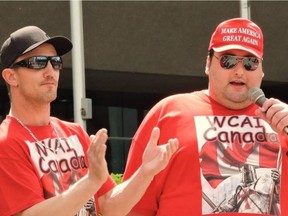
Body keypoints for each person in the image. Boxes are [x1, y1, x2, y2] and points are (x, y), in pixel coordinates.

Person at [0, 26, 179, 216]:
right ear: (11, 76)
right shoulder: (6, 142)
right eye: (38, 62)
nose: (50, 71)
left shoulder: (74, 133)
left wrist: (145, 173)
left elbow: (110, 206)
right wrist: (91, 182)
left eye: (56, 62)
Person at [123, 17, 288, 216]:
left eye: (250, 63)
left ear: (261, 71)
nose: (239, 71)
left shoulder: (282, 120)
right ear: (208, 64)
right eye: (228, 60)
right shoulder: (168, 112)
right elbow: (133, 208)